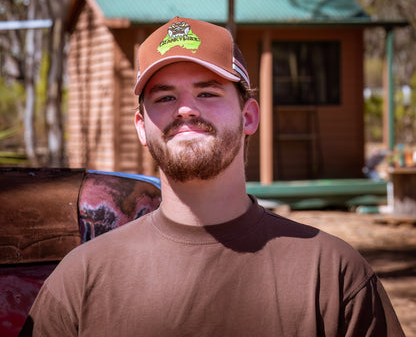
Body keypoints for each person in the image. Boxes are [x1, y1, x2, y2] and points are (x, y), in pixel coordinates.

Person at [20, 17, 404, 336]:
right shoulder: (80, 279)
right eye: (165, 97)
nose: (186, 109)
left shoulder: (333, 275)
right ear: (141, 126)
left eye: (208, 93)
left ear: (248, 116)